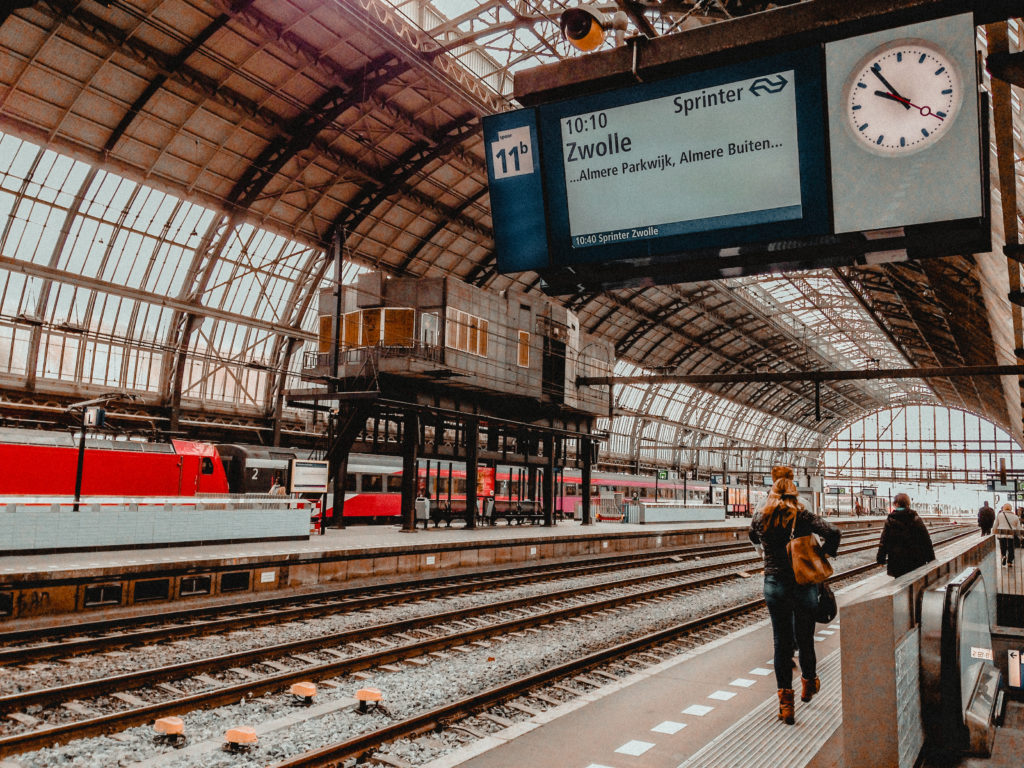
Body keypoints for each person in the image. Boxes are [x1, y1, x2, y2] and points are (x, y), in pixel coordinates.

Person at [749, 466, 841, 725]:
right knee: (805, 637)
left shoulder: (761, 515)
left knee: (781, 643)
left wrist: (764, 553)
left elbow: (751, 534)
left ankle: (785, 705)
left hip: (775, 584)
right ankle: (808, 683)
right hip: (803, 583)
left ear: (772, 486)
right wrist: (822, 555)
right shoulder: (802, 514)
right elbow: (833, 532)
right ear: (793, 486)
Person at [875, 493, 935, 577]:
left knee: (900, 584)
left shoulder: (890, 520)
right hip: (916, 560)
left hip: (897, 561)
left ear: (895, 504)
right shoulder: (915, 518)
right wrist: (931, 558)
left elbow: (884, 541)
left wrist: (881, 559)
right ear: (908, 504)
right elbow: (925, 539)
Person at [995, 502, 1021, 566]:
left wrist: (996, 532)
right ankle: (1009, 562)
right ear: (1011, 509)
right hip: (1010, 535)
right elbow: (1018, 527)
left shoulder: (999, 515)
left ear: (1003, 508)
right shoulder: (1015, 517)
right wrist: (1019, 535)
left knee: (1003, 547)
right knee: (1011, 548)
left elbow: (995, 525)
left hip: (1001, 534)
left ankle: (1003, 556)